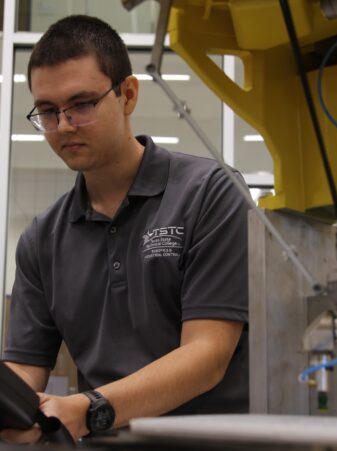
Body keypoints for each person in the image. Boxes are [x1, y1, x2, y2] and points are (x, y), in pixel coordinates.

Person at [0, 14, 249, 443]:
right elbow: (25, 367)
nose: (63, 127)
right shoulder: (43, 238)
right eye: (47, 111)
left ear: (128, 94)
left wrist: (91, 407)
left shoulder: (208, 192)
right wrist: (13, 405)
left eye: (81, 105)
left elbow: (207, 353)